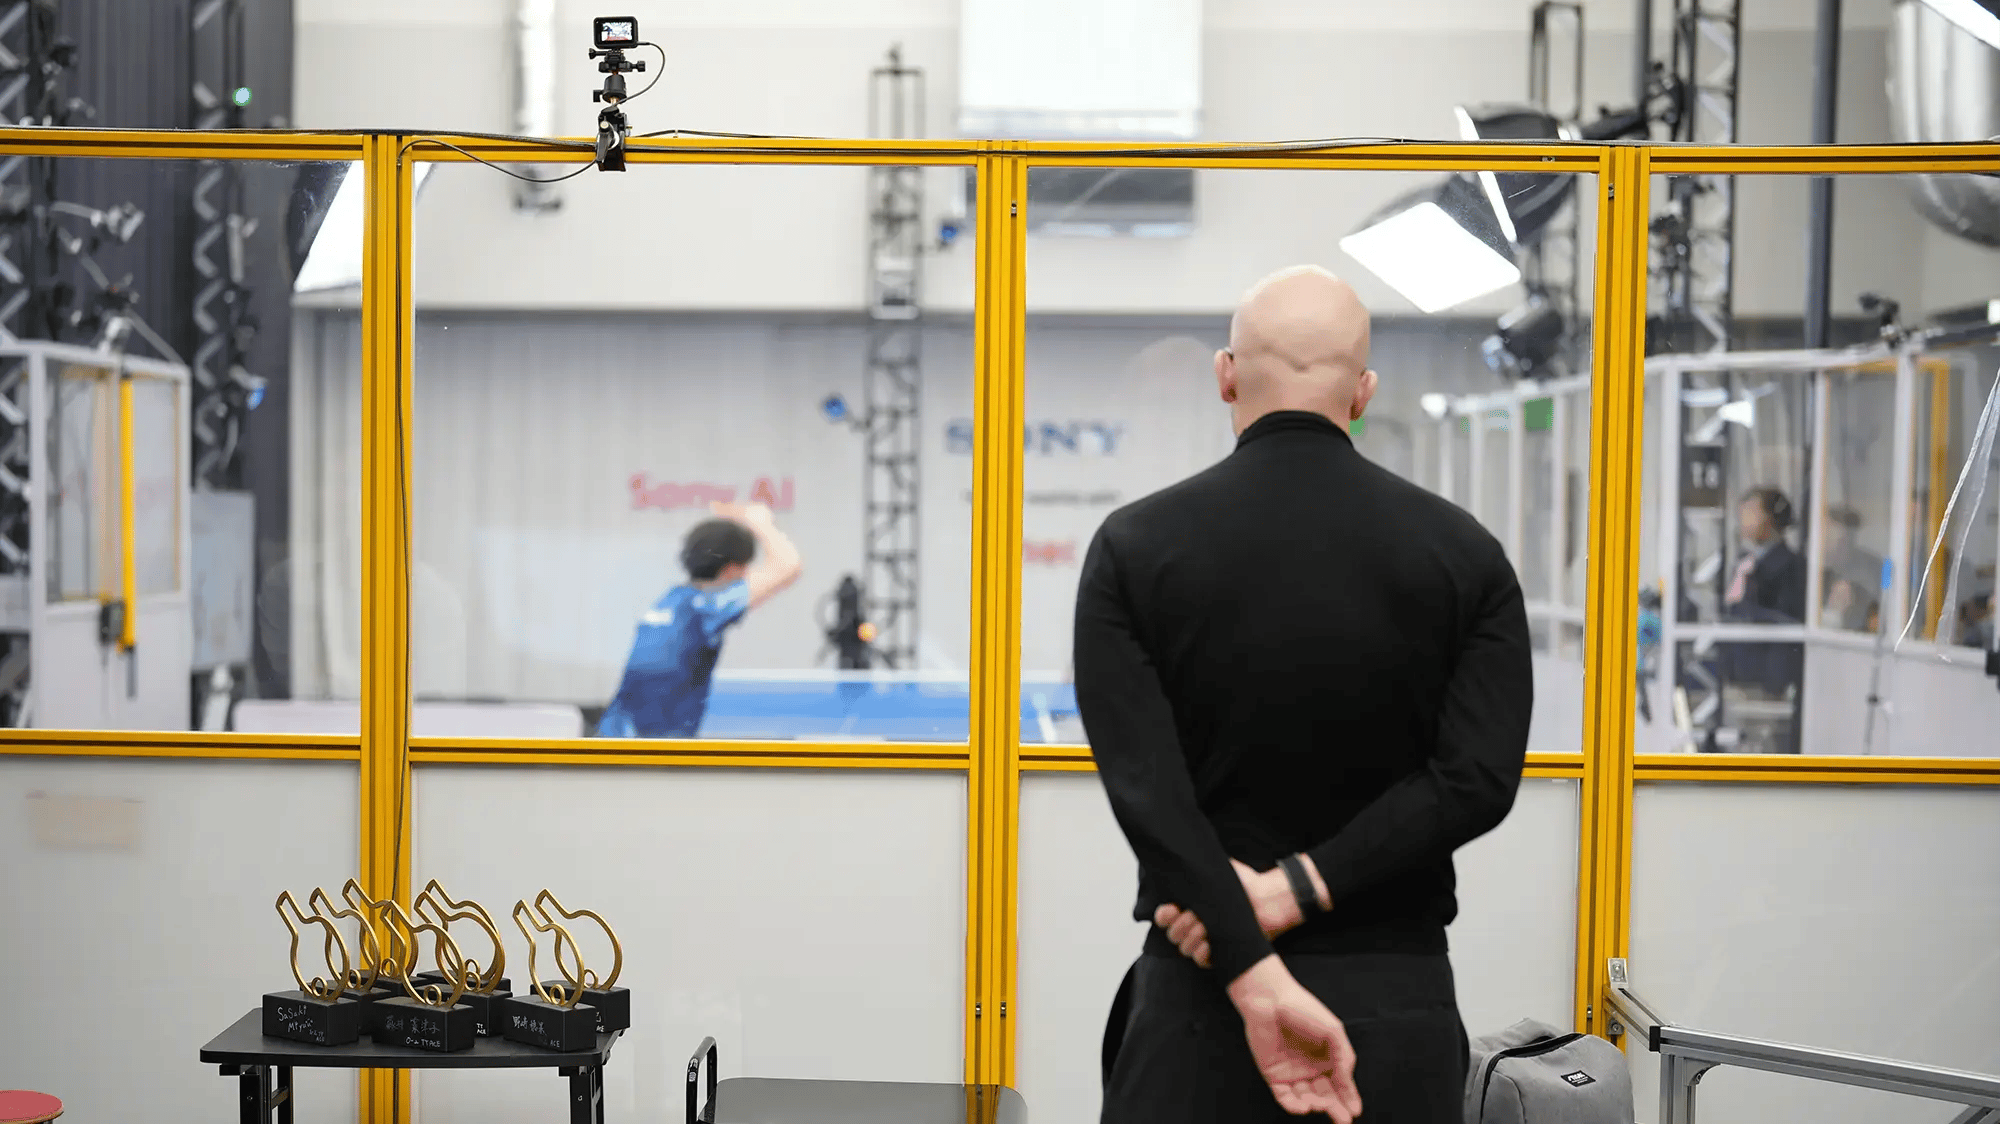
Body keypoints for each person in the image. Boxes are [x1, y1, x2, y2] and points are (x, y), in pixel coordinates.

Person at [1075, 265, 1533, 1124]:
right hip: (1395, 1009)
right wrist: (1303, 885)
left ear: (1227, 374)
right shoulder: (1465, 555)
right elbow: (1473, 780)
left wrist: (1250, 963)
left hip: (1202, 993)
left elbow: (1150, 792)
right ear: (1362, 392)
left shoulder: (1134, 548)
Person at [597, 501, 802, 738]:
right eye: (745, 567)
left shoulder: (672, 599)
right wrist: (760, 523)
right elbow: (788, 566)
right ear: (731, 569)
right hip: (655, 753)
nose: (748, 575)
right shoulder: (708, 607)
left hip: (613, 737)